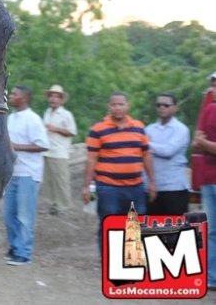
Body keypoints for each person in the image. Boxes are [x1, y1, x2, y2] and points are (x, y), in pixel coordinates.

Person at [83, 92, 156, 257]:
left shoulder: (138, 126)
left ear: (127, 106)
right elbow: (91, 159)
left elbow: (146, 155)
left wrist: (152, 182)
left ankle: (132, 260)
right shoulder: (97, 129)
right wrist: (86, 186)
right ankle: (109, 260)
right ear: (109, 107)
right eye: (114, 104)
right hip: (108, 187)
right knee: (109, 223)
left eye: (121, 104)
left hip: (136, 186)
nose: (117, 107)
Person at [3, 85, 49, 266]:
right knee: (8, 215)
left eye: (14, 94)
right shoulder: (10, 118)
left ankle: (24, 253)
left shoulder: (33, 119)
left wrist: (17, 147)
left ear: (24, 98)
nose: (11, 97)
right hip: (12, 173)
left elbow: (43, 145)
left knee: (24, 216)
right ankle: (14, 248)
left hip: (28, 174)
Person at [145, 93, 189, 215]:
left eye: (166, 105)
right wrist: (145, 144)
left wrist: (145, 143)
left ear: (175, 108)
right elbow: (142, 154)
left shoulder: (181, 129)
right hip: (151, 189)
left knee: (175, 231)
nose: (162, 107)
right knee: (151, 231)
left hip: (174, 188)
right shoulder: (149, 129)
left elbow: (168, 151)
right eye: (159, 105)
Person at [191, 92, 216, 290]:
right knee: (211, 231)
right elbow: (195, 141)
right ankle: (212, 278)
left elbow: (201, 142)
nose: (213, 89)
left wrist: (205, 144)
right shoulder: (209, 108)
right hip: (208, 178)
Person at [41, 84, 77, 216]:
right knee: (48, 180)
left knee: (61, 180)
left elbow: (72, 132)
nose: (53, 99)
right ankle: (52, 205)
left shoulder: (66, 114)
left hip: (60, 152)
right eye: (51, 96)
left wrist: (56, 129)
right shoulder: (47, 112)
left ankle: (64, 207)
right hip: (47, 151)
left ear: (61, 99)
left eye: (56, 97)